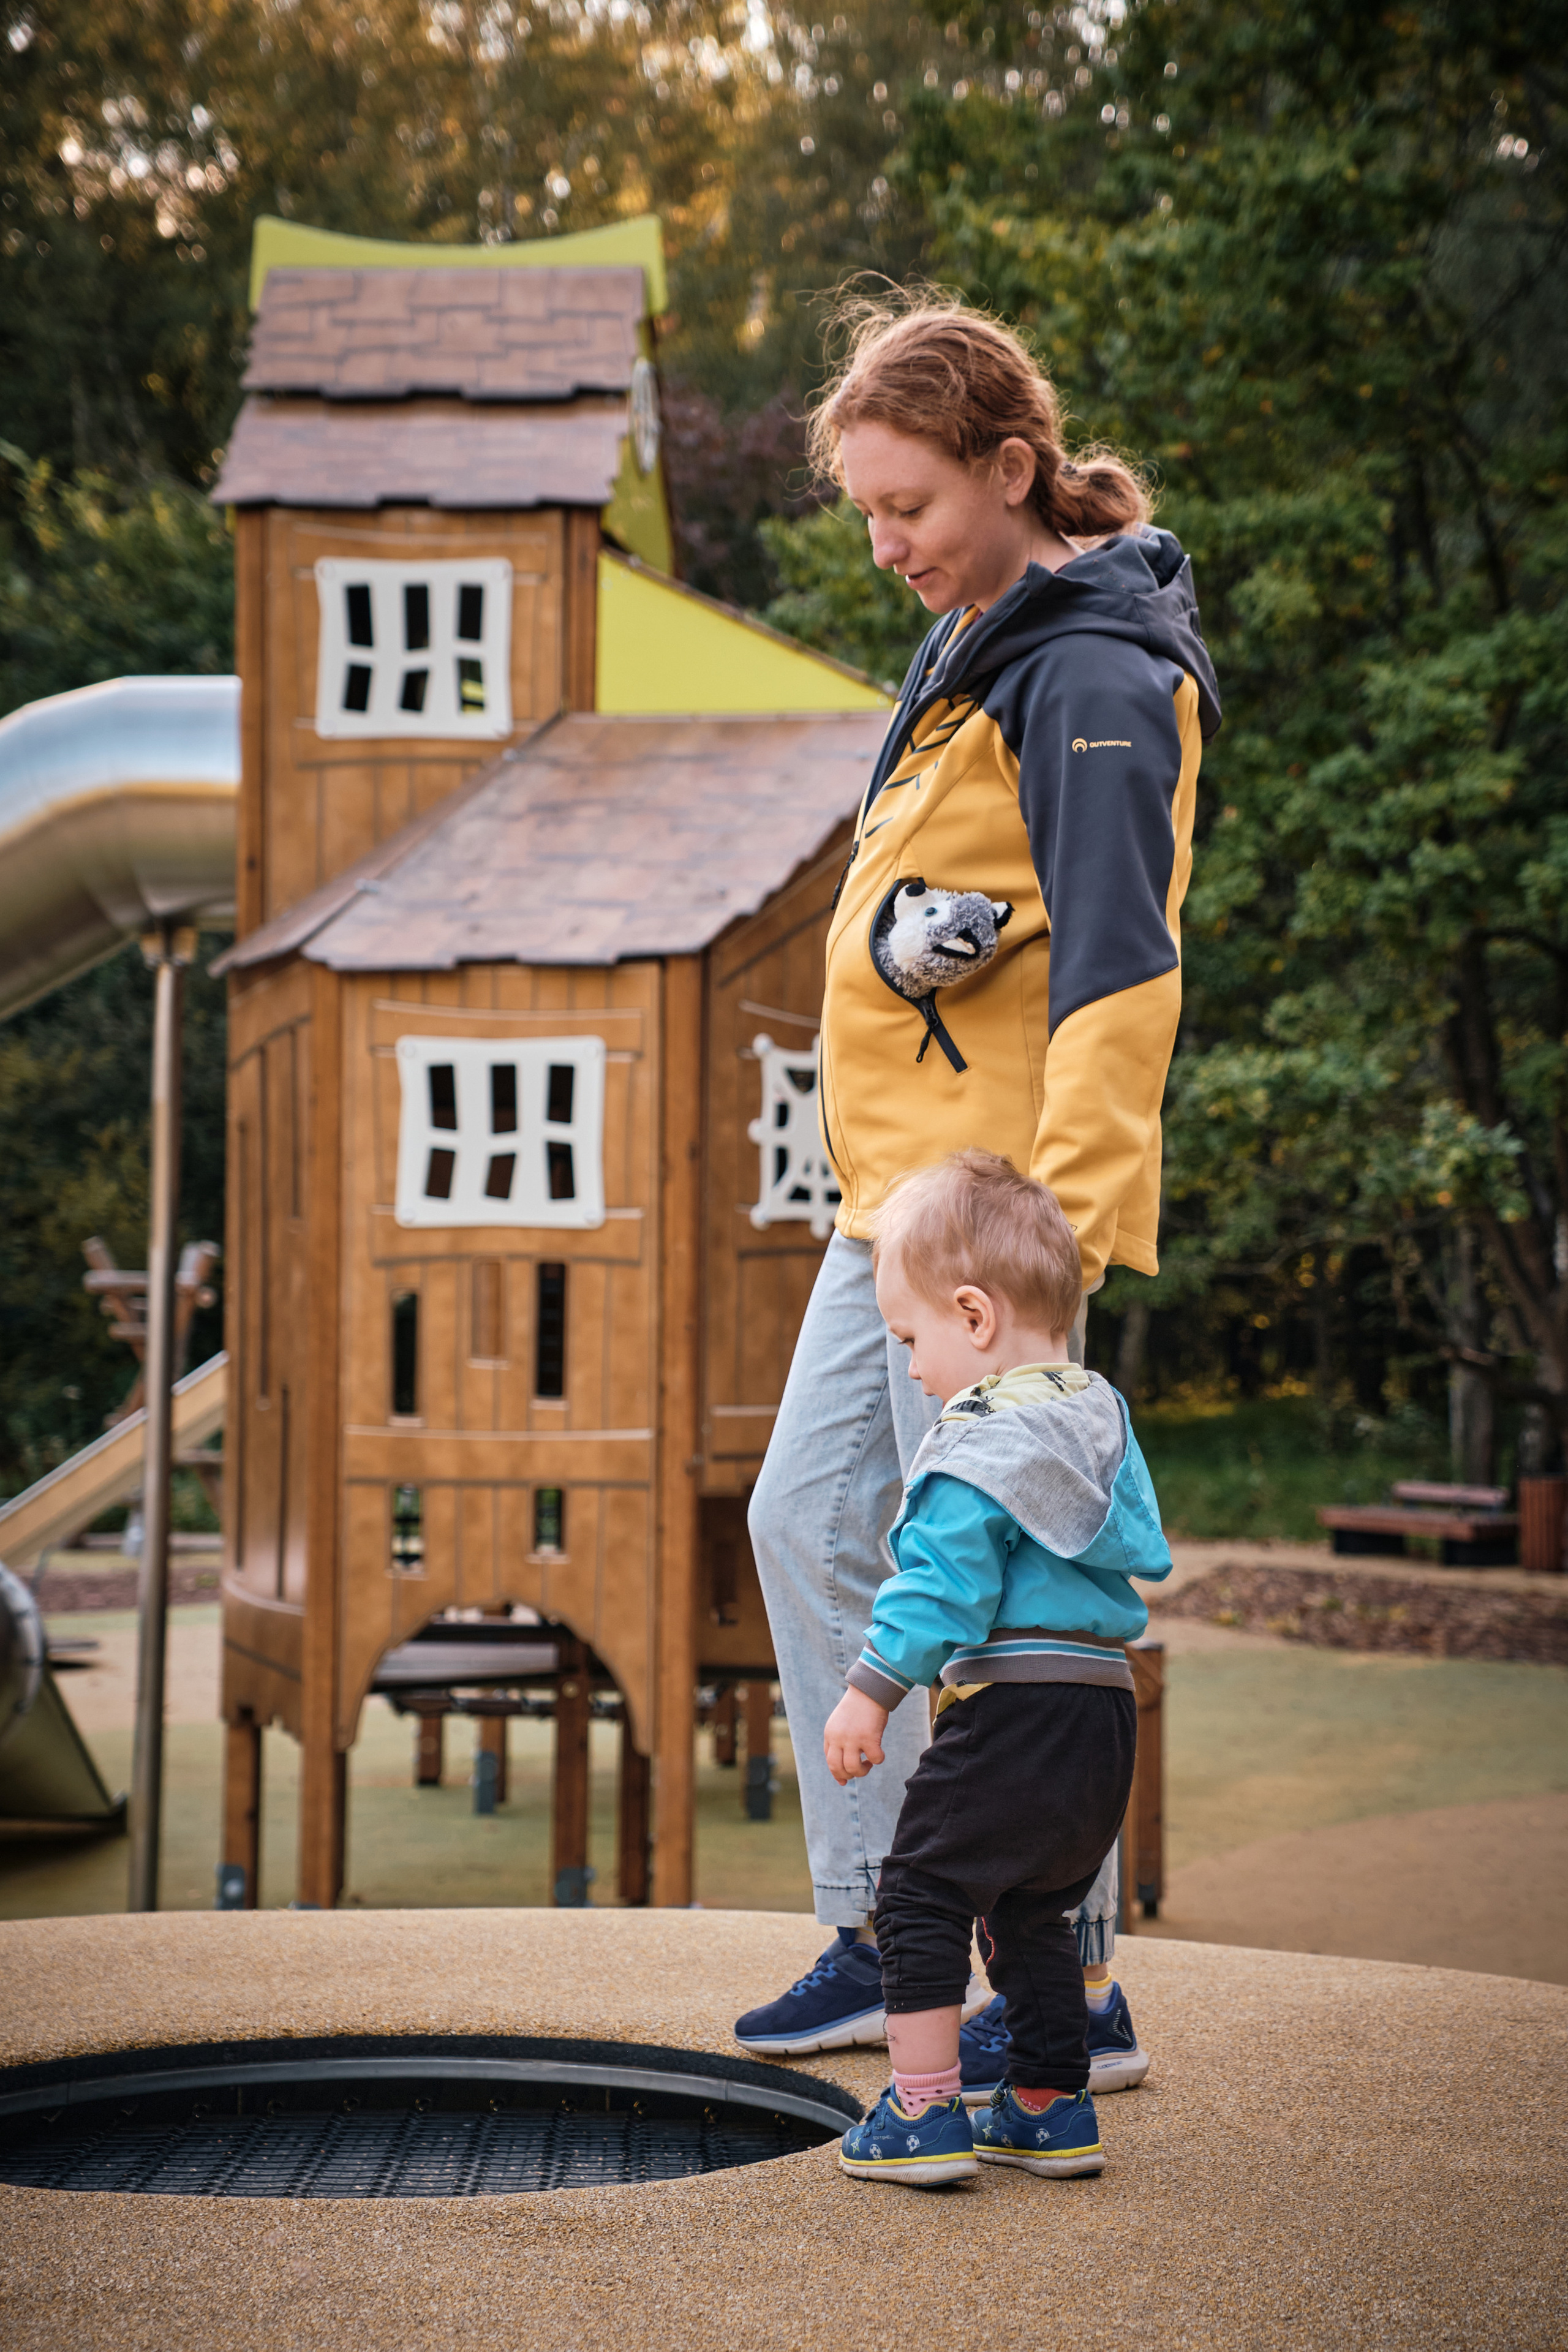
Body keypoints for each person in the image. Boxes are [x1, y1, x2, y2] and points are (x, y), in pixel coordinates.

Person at [734, 293, 1220, 2086]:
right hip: (900, 1214)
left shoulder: (1089, 669)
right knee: (827, 1522)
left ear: (1010, 468)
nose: (884, 545)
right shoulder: (985, 642)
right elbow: (982, 911)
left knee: (988, 1578)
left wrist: (1055, 1267)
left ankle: (1018, 1974)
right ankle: (948, 1949)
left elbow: (1119, 973)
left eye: (910, 505)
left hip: (991, 1239)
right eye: (864, 509)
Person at [831, 1152, 1170, 2186]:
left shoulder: (977, 1439)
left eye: (911, 1340)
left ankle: (924, 2113)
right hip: (1104, 1713)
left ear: (974, 1317)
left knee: (923, 1897)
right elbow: (1139, 1548)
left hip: (1012, 1710)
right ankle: (1046, 2106)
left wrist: (871, 1688)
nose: (916, 1369)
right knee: (1033, 1910)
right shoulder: (1097, 1416)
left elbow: (940, 1588)